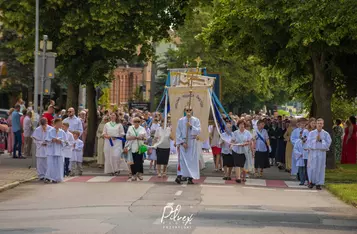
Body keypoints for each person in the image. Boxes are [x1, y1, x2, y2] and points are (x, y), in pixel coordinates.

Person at [175, 106, 201, 185]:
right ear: (185, 111)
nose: (188, 111)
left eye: (190, 110)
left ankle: (190, 177)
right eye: (187, 110)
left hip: (192, 143)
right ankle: (180, 176)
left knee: (191, 161)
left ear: (192, 110)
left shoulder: (196, 120)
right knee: (182, 160)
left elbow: (198, 130)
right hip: (184, 142)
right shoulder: (181, 120)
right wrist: (182, 142)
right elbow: (178, 132)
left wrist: (191, 126)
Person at [307, 118, 332, 190]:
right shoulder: (311, 133)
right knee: (312, 167)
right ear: (316, 124)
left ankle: (318, 183)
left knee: (320, 168)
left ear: (323, 124)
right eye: (318, 123)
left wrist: (321, 140)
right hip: (313, 152)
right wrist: (315, 140)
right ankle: (311, 182)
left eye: (321, 123)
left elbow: (328, 143)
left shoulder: (326, 134)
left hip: (321, 152)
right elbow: (308, 143)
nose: (319, 125)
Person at [125, 117, 147, 181]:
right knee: (132, 162)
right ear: (133, 122)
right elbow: (127, 137)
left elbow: (146, 138)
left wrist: (141, 138)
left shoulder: (142, 129)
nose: (136, 123)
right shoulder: (130, 128)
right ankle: (133, 174)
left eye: (138, 122)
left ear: (140, 122)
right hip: (132, 147)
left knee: (139, 161)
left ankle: (139, 174)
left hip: (140, 147)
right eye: (135, 122)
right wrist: (132, 137)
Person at [45, 118, 66, 183]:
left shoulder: (62, 132)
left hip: (59, 150)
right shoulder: (50, 131)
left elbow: (66, 141)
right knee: (51, 164)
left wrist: (61, 141)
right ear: (55, 123)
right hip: (52, 150)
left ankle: (58, 178)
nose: (60, 125)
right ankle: (49, 177)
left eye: (61, 123)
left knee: (59, 165)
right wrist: (52, 140)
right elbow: (47, 140)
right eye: (59, 123)